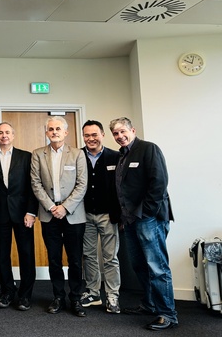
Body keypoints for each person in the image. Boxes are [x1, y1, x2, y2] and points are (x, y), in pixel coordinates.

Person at [109, 117, 177, 331]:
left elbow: (159, 183)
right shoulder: (122, 156)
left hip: (149, 219)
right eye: (116, 133)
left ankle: (167, 314)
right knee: (139, 265)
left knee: (157, 267)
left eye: (123, 131)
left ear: (133, 130)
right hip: (129, 221)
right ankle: (149, 304)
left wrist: (145, 213)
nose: (120, 136)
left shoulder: (148, 149)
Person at [30, 116, 87, 317]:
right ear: (46, 132)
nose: (54, 132)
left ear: (65, 132)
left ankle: (76, 299)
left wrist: (65, 207)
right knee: (54, 259)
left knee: (75, 260)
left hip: (73, 215)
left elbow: (82, 184)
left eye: (58, 129)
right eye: (51, 129)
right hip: (49, 214)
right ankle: (58, 297)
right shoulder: (38, 154)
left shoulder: (78, 154)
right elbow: (35, 183)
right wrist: (51, 206)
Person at [0, 122, 37, 311]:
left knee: (26, 254)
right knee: (3, 254)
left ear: (13, 135)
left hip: (23, 214)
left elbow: (32, 186)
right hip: (0, 213)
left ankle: (25, 295)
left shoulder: (26, 156)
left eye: (7, 132)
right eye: (0, 132)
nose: (4, 135)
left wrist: (31, 212)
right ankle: (7, 292)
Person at [80, 120, 122, 314]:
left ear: (103, 135)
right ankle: (93, 292)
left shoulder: (116, 156)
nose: (91, 138)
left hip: (108, 215)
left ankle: (112, 296)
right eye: (87, 135)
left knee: (110, 257)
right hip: (85, 214)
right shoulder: (78, 156)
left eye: (94, 134)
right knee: (88, 255)